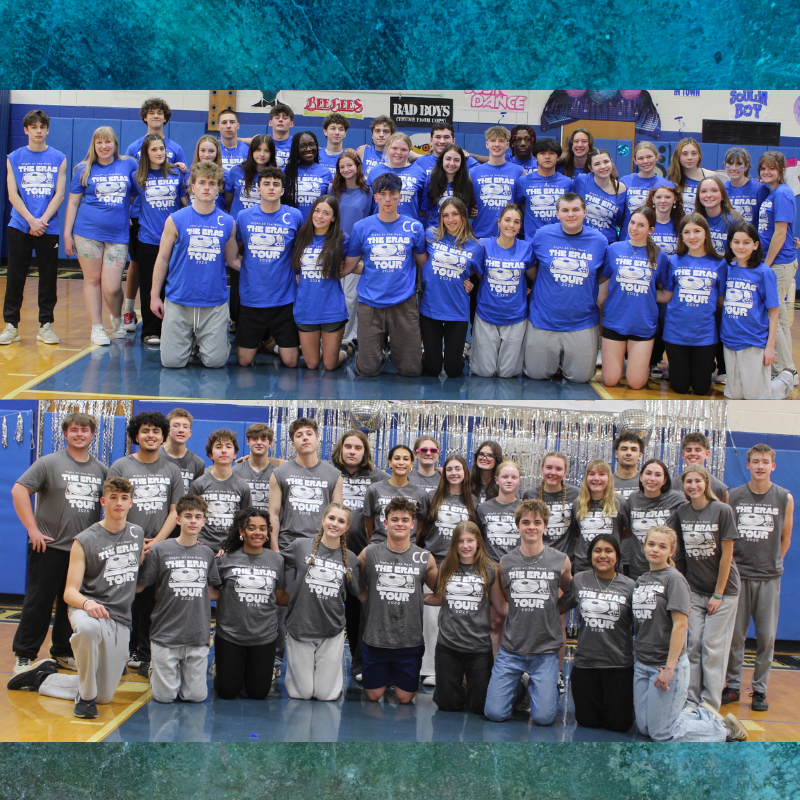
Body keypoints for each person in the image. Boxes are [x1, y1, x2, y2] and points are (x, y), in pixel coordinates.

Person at [8, 477, 145, 719]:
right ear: (103, 501)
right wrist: (88, 603)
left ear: (131, 502)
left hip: (119, 617)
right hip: (88, 609)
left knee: (105, 696)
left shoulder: (136, 534)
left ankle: (40, 678)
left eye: (124, 498)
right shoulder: (85, 539)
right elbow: (69, 592)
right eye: (113, 498)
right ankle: (85, 698)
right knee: (89, 631)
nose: (119, 503)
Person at [11, 413, 107, 675]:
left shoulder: (101, 470)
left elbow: (112, 504)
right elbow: (19, 490)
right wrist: (33, 530)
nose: (79, 434)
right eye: (74, 430)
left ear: (91, 435)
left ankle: (63, 653)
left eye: (84, 430)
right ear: (65, 434)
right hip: (48, 548)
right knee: (38, 603)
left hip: (81, 552)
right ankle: (24, 655)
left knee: (72, 605)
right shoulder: (48, 463)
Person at [632, 525, 746, 742]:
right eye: (651, 544)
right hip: (642, 665)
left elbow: (681, 627)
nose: (655, 549)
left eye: (662, 546)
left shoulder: (674, 580)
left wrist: (669, 669)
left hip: (665, 666)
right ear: (644, 546)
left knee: (661, 734)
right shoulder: (642, 580)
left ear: (672, 551)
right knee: (645, 728)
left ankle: (724, 729)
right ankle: (702, 714)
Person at [108, 412, 184, 675]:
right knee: (123, 601)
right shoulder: (120, 466)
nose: (151, 435)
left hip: (158, 546)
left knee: (151, 603)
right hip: (125, 544)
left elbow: (176, 511)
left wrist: (157, 542)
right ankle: (121, 652)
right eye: (145, 431)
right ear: (135, 435)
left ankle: (145, 654)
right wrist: (133, 541)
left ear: (163, 436)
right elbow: (114, 507)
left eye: (156, 431)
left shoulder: (172, 469)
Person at [484, 498, 572, 725]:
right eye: (525, 522)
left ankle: (541, 685)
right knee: (495, 714)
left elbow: (570, 592)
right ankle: (521, 686)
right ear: (518, 526)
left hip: (544, 651)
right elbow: (504, 603)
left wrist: (553, 609)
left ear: (545, 526)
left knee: (543, 718)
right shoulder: (506, 562)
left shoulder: (560, 560)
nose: (531, 526)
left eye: (537, 522)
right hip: (512, 650)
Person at [724, 444, 794, 712]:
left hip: (769, 578)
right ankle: (732, 687)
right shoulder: (734, 496)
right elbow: (728, 536)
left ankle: (760, 691)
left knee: (766, 638)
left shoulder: (784, 497)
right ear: (749, 465)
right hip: (739, 577)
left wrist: (774, 561)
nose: (761, 466)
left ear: (773, 466)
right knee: (736, 637)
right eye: (756, 461)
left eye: (765, 461)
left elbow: (785, 537)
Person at [150, 161, 238, 369]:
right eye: (202, 183)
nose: (207, 187)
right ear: (192, 186)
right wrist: (154, 296)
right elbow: (162, 259)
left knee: (215, 363)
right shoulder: (176, 219)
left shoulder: (228, 222)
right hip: (180, 300)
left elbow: (233, 260)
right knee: (171, 363)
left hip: (213, 302)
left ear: (218, 188)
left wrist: (268, 270)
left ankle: (204, 343)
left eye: (212, 183)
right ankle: (190, 343)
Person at [136, 494, 222, 703]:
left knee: (196, 696)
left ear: (204, 521)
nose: (193, 520)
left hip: (197, 635)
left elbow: (210, 591)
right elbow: (140, 586)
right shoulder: (160, 549)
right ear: (178, 520)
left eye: (198, 517)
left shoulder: (207, 553)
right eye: (188, 516)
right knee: (164, 698)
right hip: (166, 634)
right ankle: (153, 668)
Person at [667, 466, 739, 710]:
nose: (693, 486)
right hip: (695, 591)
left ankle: (710, 704)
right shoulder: (682, 511)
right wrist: (683, 589)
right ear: (683, 485)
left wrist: (718, 594)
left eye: (698, 481)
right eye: (688, 481)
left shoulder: (722, 510)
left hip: (724, 592)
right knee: (694, 644)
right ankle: (691, 699)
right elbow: (678, 554)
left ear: (706, 483)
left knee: (712, 647)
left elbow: (727, 556)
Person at [343, 172, 427, 378]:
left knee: (411, 370)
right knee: (367, 371)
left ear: (400, 196)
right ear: (376, 197)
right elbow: (350, 266)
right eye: (382, 194)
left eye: (392, 194)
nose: (387, 199)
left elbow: (423, 263)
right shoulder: (362, 227)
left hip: (403, 303)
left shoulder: (414, 227)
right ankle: (375, 354)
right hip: (370, 303)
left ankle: (397, 351)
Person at [356, 497, 438, 703]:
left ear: (413, 524)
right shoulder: (371, 552)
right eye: (394, 519)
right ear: (385, 523)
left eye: (405, 519)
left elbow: (440, 593)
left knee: (404, 698)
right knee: (374, 696)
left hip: (409, 639)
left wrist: (417, 598)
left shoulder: (424, 557)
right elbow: (353, 578)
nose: (399, 523)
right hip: (376, 638)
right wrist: (363, 595)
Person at [63, 126, 137, 345]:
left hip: (118, 235)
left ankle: (117, 319)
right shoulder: (83, 169)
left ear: (115, 144)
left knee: (112, 287)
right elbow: (74, 203)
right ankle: (96, 327)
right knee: (92, 280)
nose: (104, 146)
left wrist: (124, 212)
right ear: (94, 146)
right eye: (99, 143)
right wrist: (67, 234)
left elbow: (134, 192)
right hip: (87, 233)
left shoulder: (128, 164)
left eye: (108, 142)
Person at [524, 193, 609, 382]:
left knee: (581, 378)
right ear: (557, 214)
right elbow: (531, 267)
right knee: (536, 376)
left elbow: (602, 275)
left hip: (582, 322)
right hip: (543, 319)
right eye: (565, 210)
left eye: (575, 210)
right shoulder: (543, 235)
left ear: (585, 212)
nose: (571, 214)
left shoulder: (600, 241)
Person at [1, 109, 67, 346]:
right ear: (26, 130)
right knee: (15, 276)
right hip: (20, 225)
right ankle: (11, 326)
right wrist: (30, 220)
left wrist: (42, 221)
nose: (38, 131)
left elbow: (59, 195)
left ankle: (45, 325)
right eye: (34, 127)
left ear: (47, 130)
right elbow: (12, 194)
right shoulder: (14, 157)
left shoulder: (59, 157)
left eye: (42, 127)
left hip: (48, 227)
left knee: (48, 277)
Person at [122, 98, 187, 334]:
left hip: (169, 221)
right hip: (142, 219)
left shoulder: (176, 149)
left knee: (170, 272)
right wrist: (125, 216)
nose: (156, 116)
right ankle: (131, 310)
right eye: (152, 113)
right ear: (145, 117)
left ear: (166, 118)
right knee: (139, 265)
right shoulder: (133, 149)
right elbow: (130, 183)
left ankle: (174, 324)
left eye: (160, 113)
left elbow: (183, 192)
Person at [283, 502, 360, 700]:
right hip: (301, 626)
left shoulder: (351, 559)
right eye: (332, 518)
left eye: (341, 521)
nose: (335, 524)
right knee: (304, 693)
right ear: (323, 520)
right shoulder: (300, 546)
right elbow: (272, 561)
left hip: (331, 630)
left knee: (326, 695)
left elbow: (359, 591)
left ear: (347, 527)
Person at [559, 534, 635, 732]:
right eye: (597, 551)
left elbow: (643, 624)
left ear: (617, 557)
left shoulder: (631, 586)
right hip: (586, 665)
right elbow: (557, 608)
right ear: (590, 555)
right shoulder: (579, 580)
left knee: (619, 725)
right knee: (587, 723)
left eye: (608, 551)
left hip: (619, 666)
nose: (603, 555)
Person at [330, 430, 389, 680]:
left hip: (361, 556)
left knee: (358, 611)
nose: (352, 451)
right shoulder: (329, 471)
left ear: (365, 451)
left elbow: (402, 481)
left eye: (358, 447)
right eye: (348, 446)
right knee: (328, 606)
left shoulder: (378, 477)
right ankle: (325, 666)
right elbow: (295, 466)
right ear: (340, 449)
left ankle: (359, 664)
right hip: (330, 552)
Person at [425, 521, 501, 713]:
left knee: (479, 707)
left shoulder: (490, 569)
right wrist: (413, 596)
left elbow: (500, 605)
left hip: (478, 648)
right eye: (460, 541)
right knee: (447, 705)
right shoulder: (446, 567)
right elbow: (439, 598)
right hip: (449, 646)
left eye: (470, 540)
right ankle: (457, 686)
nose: (465, 546)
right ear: (454, 544)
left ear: (478, 543)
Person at [234, 167, 304, 370]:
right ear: (258, 189)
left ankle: (271, 344)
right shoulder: (244, 217)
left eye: (276, 184)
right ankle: (264, 343)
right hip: (252, 298)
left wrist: (299, 273)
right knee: (244, 361)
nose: (271, 188)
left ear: (282, 190)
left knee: (291, 362)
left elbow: (301, 250)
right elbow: (233, 250)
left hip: (284, 298)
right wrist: (247, 268)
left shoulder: (294, 216)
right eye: (266, 184)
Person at [214, 508, 286, 700]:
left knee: (258, 693)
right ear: (241, 531)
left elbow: (280, 597)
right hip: (230, 634)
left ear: (268, 532)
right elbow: (213, 591)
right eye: (251, 528)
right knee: (227, 692)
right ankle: (222, 666)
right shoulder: (225, 559)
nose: (257, 533)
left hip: (263, 636)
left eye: (262, 528)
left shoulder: (277, 560)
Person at [418, 455, 478, 686]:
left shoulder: (472, 501)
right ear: (444, 472)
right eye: (450, 469)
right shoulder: (433, 497)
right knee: (431, 618)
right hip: (435, 561)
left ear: (465, 472)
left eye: (458, 469)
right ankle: (429, 668)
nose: (454, 473)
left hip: (461, 565)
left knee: (456, 616)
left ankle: (456, 669)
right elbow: (422, 530)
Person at [598, 206, 670, 389]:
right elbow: (604, 284)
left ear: (651, 230)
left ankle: (637, 367)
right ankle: (619, 364)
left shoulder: (660, 256)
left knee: (636, 383)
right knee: (611, 380)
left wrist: (644, 298)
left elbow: (665, 292)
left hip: (643, 323)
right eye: (632, 223)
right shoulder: (614, 249)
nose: (634, 228)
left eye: (641, 225)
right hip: (615, 320)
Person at [721, 223, 794, 399]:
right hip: (730, 341)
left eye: (746, 242)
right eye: (736, 242)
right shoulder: (728, 268)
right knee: (734, 395)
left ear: (755, 245)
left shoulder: (764, 273)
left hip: (754, 341)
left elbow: (774, 313)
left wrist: (770, 348)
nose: (740, 246)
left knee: (756, 397)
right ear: (730, 244)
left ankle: (784, 380)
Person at [661, 214, 726, 396]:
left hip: (705, 334)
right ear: (681, 236)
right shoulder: (673, 261)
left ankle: (705, 364)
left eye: (697, 231)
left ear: (706, 234)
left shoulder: (719, 264)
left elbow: (721, 300)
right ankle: (678, 367)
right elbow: (667, 294)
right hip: (675, 332)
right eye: (687, 232)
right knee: (680, 387)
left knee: (701, 388)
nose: (692, 236)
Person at [419, 198, 482, 377]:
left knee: (453, 369)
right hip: (431, 307)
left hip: (457, 309)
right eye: (445, 215)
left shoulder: (475, 247)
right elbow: (419, 259)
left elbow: (480, 274)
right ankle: (428, 353)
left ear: (463, 216)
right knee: (433, 369)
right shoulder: (430, 235)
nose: (450, 219)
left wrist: (469, 282)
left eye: (455, 214)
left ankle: (460, 352)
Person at [470, 204, 534, 378]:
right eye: (507, 220)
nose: (511, 225)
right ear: (498, 222)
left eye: (516, 222)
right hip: (486, 314)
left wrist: (527, 288)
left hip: (516, 316)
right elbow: (473, 270)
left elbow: (535, 277)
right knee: (484, 372)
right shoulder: (483, 245)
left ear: (520, 226)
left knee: (508, 374)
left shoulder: (526, 248)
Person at [268, 417, 343, 553]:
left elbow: (338, 517)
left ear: (317, 440)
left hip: (321, 546)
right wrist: (275, 550)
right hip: (287, 546)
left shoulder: (334, 475)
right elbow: (273, 514)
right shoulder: (279, 473)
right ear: (293, 444)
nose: (305, 438)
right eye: (299, 435)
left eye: (309, 434)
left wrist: (334, 550)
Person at [291, 195, 350, 370]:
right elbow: (296, 266)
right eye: (317, 211)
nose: (319, 216)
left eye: (326, 213)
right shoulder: (301, 236)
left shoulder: (342, 239)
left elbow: (351, 264)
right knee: (312, 364)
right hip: (306, 307)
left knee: (330, 364)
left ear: (333, 218)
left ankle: (346, 351)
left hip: (331, 308)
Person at [758, 150, 798, 383]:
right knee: (779, 316)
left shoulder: (782, 193)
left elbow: (781, 233)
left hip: (779, 264)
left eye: (771, 168)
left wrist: (766, 265)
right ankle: (788, 369)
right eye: (763, 168)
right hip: (778, 261)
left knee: (777, 316)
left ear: (781, 171)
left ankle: (787, 370)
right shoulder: (771, 192)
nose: (766, 172)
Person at [328, 149, 373, 350]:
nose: (346, 169)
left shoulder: (368, 192)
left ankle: (347, 338)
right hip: (335, 248)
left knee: (352, 296)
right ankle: (332, 334)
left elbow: (371, 221)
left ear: (358, 167)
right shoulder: (331, 190)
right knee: (334, 294)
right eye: (342, 167)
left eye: (350, 165)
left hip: (357, 250)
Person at [477, 460, 521, 656]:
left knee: (516, 622)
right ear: (497, 480)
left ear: (519, 481)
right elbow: (479, 541)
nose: (509, 481)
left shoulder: (524, 508)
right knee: (494, 622)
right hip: (492, 572)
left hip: (516, 573)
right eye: (505, 477)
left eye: (513, 477)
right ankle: (495, 669)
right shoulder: (483, 508)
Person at [187, 429, 252, 552]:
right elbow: (189, 517)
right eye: (218, 446)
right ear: (211, 454)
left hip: (231, 550)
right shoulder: (198, 484)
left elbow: (245, 521)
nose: (223, 450)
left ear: (235, 454)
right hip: (202, 548)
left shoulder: (243, 486)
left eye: (228, 446)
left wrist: (234, 544)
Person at [645, 184, 685, 379]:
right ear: (652, 199)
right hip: (649, 283)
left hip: (673, 284)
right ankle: (650, 361)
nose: (662, 201)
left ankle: (671, 361)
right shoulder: (645, 222)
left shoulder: (680, 225)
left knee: (667, 321)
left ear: (675, 200)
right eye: (658, 197)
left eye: (667, 197)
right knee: (653, 321)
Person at [626, 459, 686, 582]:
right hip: (638, 570)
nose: (652, 478)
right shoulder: (633, 498)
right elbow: (626, 529)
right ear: (641, 477)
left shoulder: (677, 499)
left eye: (658, 475)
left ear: (664, 480)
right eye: (648, 473)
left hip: (668, 571)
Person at [363, 444, 431, 544]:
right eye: (397, 458)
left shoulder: (420, 494)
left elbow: (420, 527)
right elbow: (368, 524)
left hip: (407, 549)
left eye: (406, 459)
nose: (401, 462)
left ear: (411, 463)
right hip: (379, 547)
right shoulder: (374, 489)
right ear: (390, 462)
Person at [573, 460, 631, 574]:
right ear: (586, 478)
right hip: (583, 565)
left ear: (609, 478)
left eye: (602, 474)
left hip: (611, 565)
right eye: (592, 474)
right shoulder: (577, 503)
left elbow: (629, 530)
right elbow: (575, 531)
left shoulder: (620, 503)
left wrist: (614, 537)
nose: (596, 478)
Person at [468, 126, 523, 239]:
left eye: (501, 141)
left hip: (508, 236)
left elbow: (521, 204)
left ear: (507, 145)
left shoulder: (519, 172)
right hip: (480, 234)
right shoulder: (473, 173)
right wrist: (470, 210)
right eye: (493, 140)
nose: (497, 144)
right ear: (487, 144)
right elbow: (468, 203)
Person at [513, 138, 574, 239]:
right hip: (532, 240)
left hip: (559, 239)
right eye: (542, 153)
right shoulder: (523, 181)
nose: (547, 157)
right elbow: (519, 204)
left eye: (552, 153)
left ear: (558, 157)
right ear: (535, 158)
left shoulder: (567, 182)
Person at [523, 451, 579, 556]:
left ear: (565, 472)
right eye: (549, 468)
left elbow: (578, 529)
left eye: (558, 469)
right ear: (542, 469)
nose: (553, 473)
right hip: (538, 558)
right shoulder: (530, 495)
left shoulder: (575, 494)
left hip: (566, 559)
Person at [366, 131, 426, 221]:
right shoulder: (375, 171)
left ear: (409, 151)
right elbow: (369, 203)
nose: (398, 152)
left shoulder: (419, 172)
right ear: (387, 148)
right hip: (380, 226)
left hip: (408, 227)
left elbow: (424, 206)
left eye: (403, 149)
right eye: (394, 148)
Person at [574, 149, 627, 243]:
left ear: (611, 162)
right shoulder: (582, 180)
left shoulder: (622, 189)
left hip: (608, 241)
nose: (603, 166)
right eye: (597, 164)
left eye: (606, 162)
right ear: (590, 168)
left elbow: (621, 221)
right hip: (582, 239)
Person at [619, 142, 671, 236]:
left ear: (657, 157)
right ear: (635, 161)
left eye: (649, 157)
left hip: (653, 236)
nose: (645, 161)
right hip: (628, 236)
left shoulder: (664, 184)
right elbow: (619, 214)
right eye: (641, 158)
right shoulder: (625, 181)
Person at [419, 144, 475, 230]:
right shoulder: (431, 181)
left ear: (461, 163)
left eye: (456, 160)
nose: (452, 163)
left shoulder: (467, 183)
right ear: (441, 160)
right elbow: (424, 209)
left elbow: (472, 210)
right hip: (436, 231)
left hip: (460, 232)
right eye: (448, 159)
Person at [223, 134, 276, 220]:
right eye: (258, 150)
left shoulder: (276, 176)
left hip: (262, 224)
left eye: (266, 151)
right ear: (251, 151)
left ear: (271, 154)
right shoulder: (236, 172)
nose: (262, 154)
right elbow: (228, 202)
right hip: (238, 224)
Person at [283, 131, 331, 221]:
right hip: (291, 223)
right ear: (295, 149)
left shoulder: (325, 172)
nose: (308, 149)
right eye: (303, 146)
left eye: (312, 144)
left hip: (316, 226)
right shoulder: (286, 172)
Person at [233, 424, 279, 514]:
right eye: (254, 439)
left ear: (270, 443)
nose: (259, 442)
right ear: (247, 442)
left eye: (263, 439)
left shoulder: (277, 473)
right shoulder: (235, 471)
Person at [671, 432, 729, 503]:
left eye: (698, 450)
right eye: (689, 450)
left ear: (707, 454)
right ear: (683, 454)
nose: (692, 453)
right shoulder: (671, 486)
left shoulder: (720, 489)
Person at [695, 176, 744, 257]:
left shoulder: (734, 220)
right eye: (703, 191)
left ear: (722, 195)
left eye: (714, 191)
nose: (708, 195)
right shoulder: (694, 221)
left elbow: (742, 251)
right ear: (698, 196)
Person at [160, 408, 206, 493]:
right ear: (168, 430)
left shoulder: (198, 463)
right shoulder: (155, 456)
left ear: (190, 433)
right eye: (176, 426)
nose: (181, 430)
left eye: (185, 427)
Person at [666, 137, 716, 215]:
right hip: (679, 224)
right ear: (678, 157)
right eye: (685, 154)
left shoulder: (710, 176)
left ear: (699, 156)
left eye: (694, 153)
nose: (690, 157)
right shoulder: (671, 179)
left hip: (702, 224)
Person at [411, 122, 480, 178]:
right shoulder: (421, 162)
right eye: (438, 137)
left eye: (446, 137)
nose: (442, 141)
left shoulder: (466, 160)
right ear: (431, 140)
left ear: (453, 141)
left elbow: (487, 169)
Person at [723, 147, 768, 225]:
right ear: (725, 165)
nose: (734, 168)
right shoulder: (722, 189)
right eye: (730, 164)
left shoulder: (759, 189)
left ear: (746, 166)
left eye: (739, 164)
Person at [317, 113, 350, 180]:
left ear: (345, 133)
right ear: (325, 131)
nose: (337, 132)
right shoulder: (316, 155)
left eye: (341, 129)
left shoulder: (350, 158)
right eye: (333, 128)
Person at [268, 103, 295, 168]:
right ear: (270, 123)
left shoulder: (297, 142)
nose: (280, 120)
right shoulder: (263, 140)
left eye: (285, 118)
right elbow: (252, 140)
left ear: (291, 124)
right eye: (277, 118)